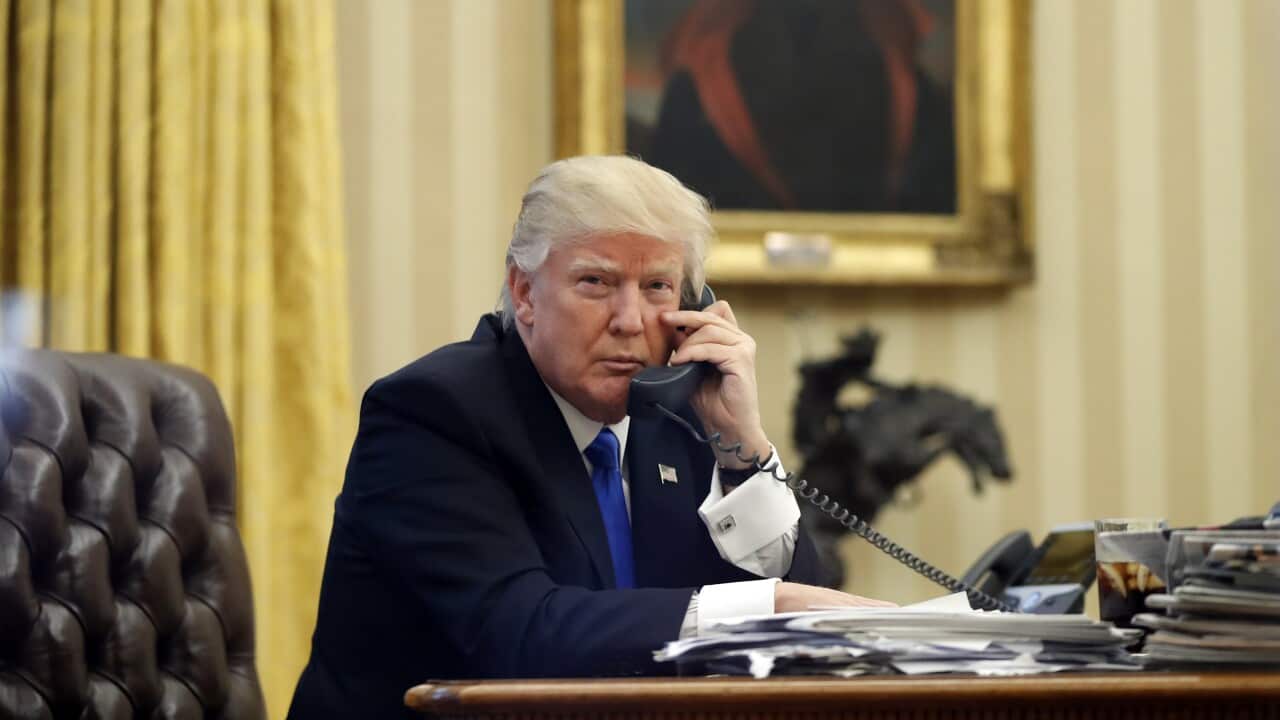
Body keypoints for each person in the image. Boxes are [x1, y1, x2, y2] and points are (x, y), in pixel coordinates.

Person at [287, 156, 893, 719]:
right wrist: (771, 605)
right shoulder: (433, 413)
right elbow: (522, 634)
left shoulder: (678, 415)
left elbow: (803, 616)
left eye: (657, 287)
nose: (630, 321)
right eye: (597, 282)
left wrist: (743, 449)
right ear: (525, 293)